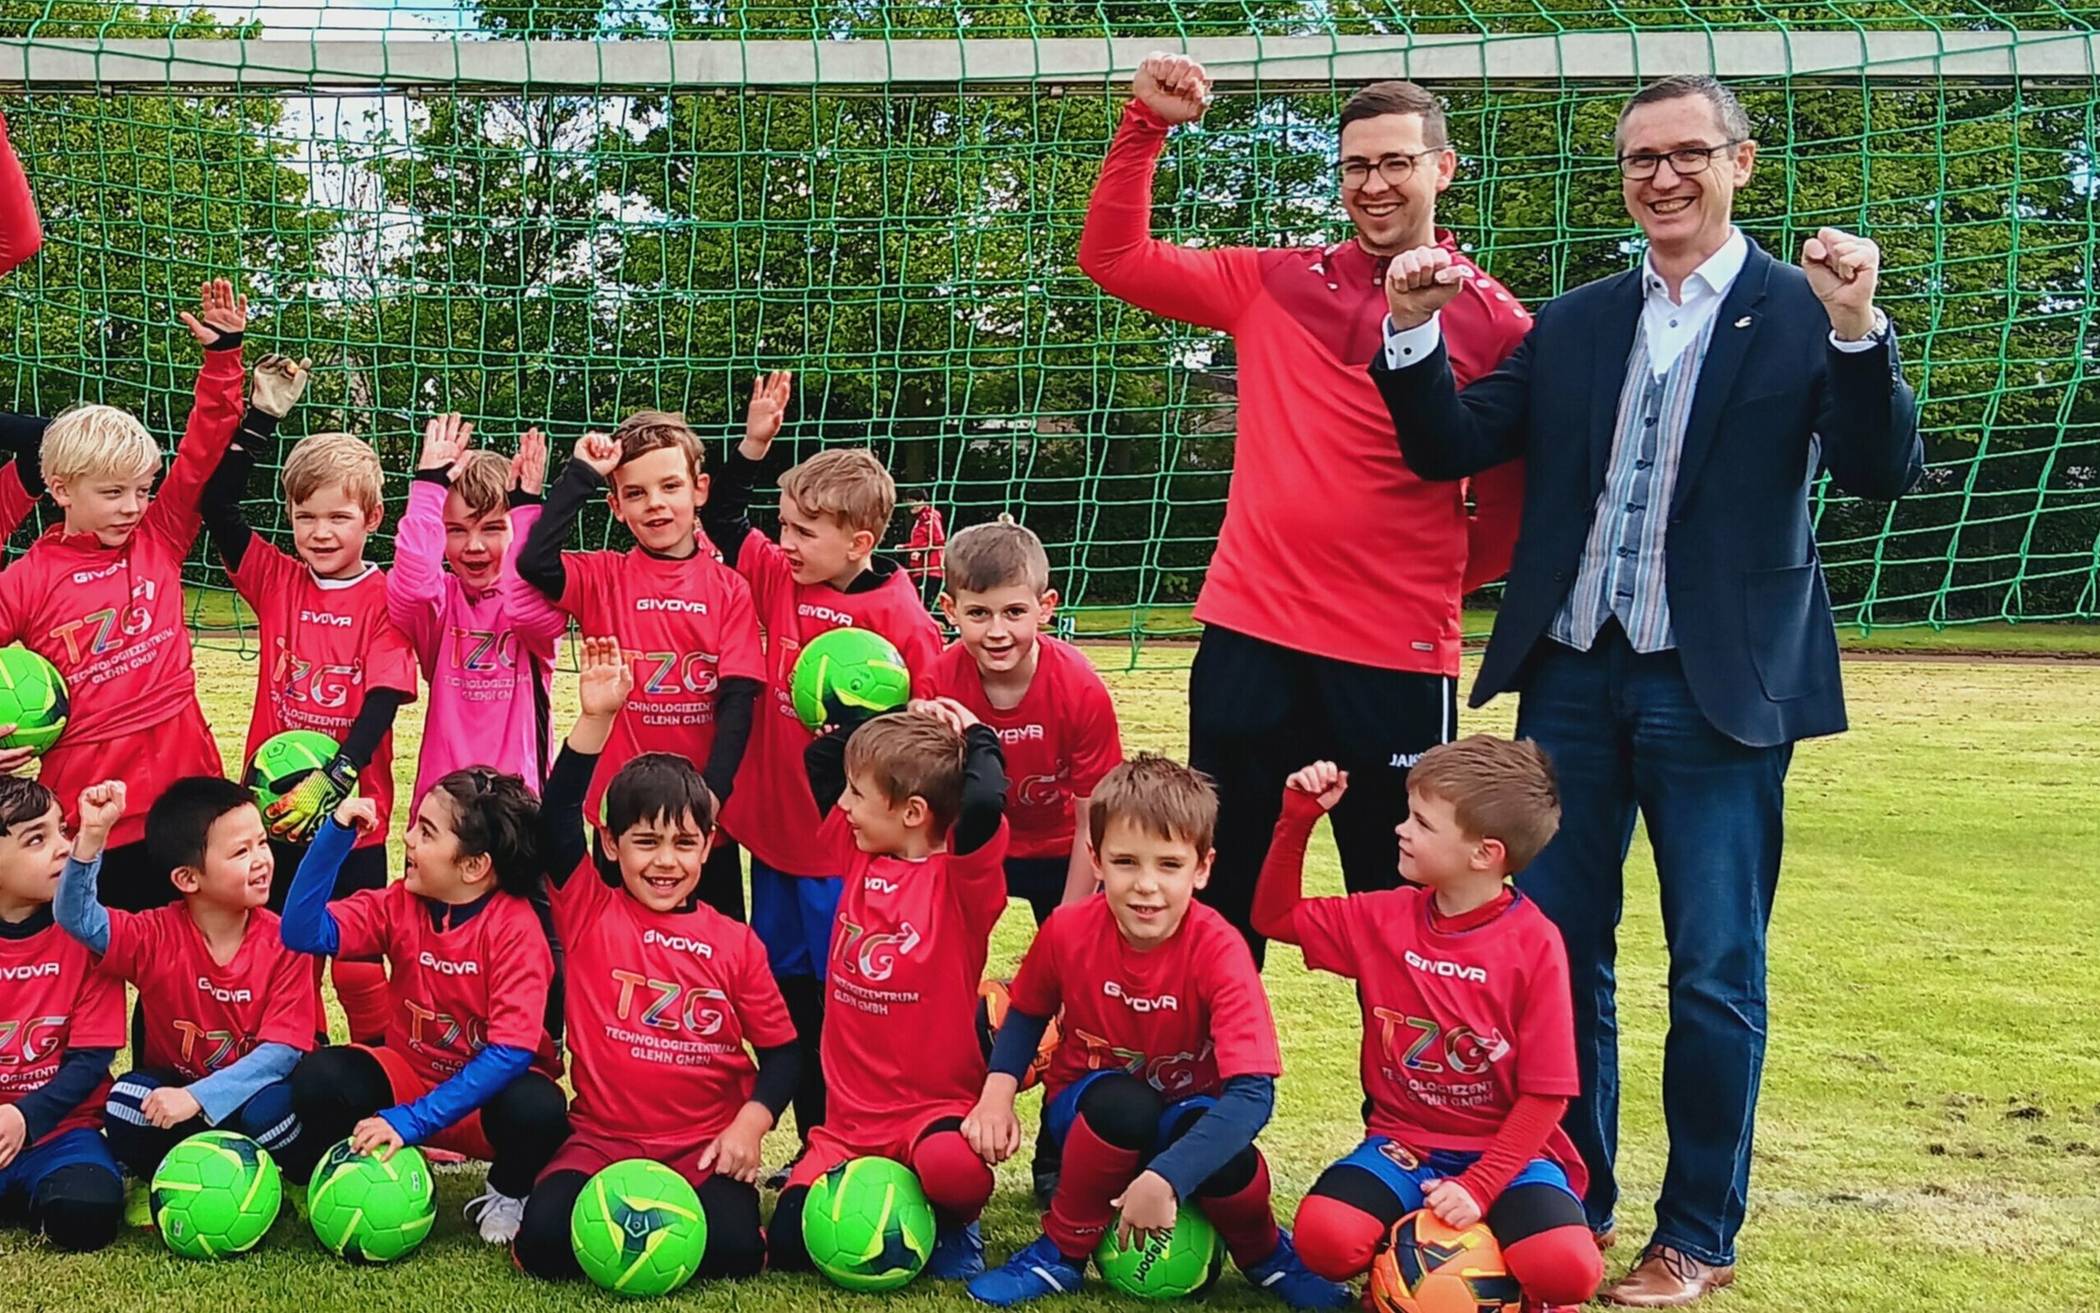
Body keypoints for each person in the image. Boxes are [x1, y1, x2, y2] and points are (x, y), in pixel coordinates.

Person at [1370, 75, 1922, 1307]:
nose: (1661, 178)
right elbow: (1447, 444)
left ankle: (1697, 1235)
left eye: (1686, 154)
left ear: (1740, 162)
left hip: (1718, 689)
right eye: (1639, 160)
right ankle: (1570, 1197)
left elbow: (1885, 470)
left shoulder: (1805, 309)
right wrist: (1410, 333)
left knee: (1715, 965)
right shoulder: (1575, 321)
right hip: (1570, 679)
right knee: (1556, 958)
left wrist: (1856, 328)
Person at [1079, 56, 1531, 965]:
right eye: (1357, 165)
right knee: (1220, 902)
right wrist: (1147, 125)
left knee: (1401, 913)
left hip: (1393, 659)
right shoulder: (1274, 282)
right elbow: (1114, 257)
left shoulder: (1496, 325)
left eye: (1397, 162)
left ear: (1443, 169)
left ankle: (1406, 1110)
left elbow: (1512, 509)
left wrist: (1422, 575)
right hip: (1251, 642)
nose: (1375, 183)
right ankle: (1215, 1104)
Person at [961, 754, 1347, 1310]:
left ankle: (1266, 1257)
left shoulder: (1219, 949)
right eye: (1125, 862)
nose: (1146, 886)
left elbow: (1252, 1094)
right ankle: (1060, 1254)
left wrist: (1166, 1178)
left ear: (1202, 868)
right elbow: (1025, 1012)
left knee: (1219, 1140)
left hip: (1186, 1119)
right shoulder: (1067, 931)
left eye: (1168, 865)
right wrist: (996, 1095)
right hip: (1092, 1114)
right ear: (1094, 860)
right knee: (1126, 1102)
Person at [1257, 741, 1602, 1310]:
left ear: (1484, 853)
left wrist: (1480, 1186)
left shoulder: (1534, 944)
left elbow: (1547, 1093)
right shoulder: (1385, 917)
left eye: (1421, 822)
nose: (1401, 829)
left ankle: (1497, 1266)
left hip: (1511, 1158)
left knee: (1568, 1273)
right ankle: (1403, 1268)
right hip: (1404, 1147)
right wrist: (1297, 820)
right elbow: (1272, 917)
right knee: (1324, 1240)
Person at [702, 370, 943, 1166]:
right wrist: (753, 446)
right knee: (785, 1000)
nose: (788, 542)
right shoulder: (776, 575)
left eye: (806, 531)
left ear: (860, 543)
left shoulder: (902, 620)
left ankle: (846, 1138)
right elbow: (723, 514)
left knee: (847, 1004)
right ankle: (809, 1138)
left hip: (845, 859)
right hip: (775, 842)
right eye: (787, 525)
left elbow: (924, 744)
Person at [510, 637, 796, 1283]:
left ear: (708, 847)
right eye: (645, 842)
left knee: (733, 1254)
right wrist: (597, 719)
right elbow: (556, 819)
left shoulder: (736, 943)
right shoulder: (588, 909)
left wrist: (751, 1125)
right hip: (600, 1143)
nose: (665, 862)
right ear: (610, 844)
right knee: (548, 1246)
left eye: (683, 844)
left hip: (702, 1148)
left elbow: (783, 1053)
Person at [0, 281, 248, 912]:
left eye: (142, 490)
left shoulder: (159, 535)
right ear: (59, 488)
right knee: (95, 974)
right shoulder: (25, 580)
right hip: (90, 819)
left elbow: (203, 447)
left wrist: (223, 359)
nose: (133, 507)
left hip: (186, 807)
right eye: (113, 494)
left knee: (187, 973)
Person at [765, 699, 1008, 1281]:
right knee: (789, 1243)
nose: (842, 803)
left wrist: (976, 734)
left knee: (953, 1168)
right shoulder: (858, 853)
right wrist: (901, 714)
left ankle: (953, 1223)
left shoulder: (962, 884)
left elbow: (983, 801)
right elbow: (821, 758)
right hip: (847, 1123)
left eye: (857, 794)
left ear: (914, 812)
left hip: (930, 1111)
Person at [201, 407, 417, 1046]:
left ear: (372, 519)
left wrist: (337, 777)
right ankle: (300, 1053)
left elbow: (383, 697)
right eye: (305, 517)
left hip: (352, 816)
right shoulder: (277, 579)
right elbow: (217, 504)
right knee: (280, 948)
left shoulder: (389, 598)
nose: (320, 532)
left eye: (339, 517)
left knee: (354, 959)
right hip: (273, 813)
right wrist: (261, 419)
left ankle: (379, 1066)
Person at [279, 770, 570, 1246]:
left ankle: (509, 1191)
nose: (407, 838)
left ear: (474, 866)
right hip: (408, 1077)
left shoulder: (516, 930)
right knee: (319, 1077)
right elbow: (301, 931)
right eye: (415, 824)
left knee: (538, 1109)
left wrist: (413, 1119)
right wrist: (333, 836)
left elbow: (510, 1053)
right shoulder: (401, 903)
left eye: (427, 832)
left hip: (485, 1101)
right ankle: (362, 1173)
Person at [511, 414, 764, 922]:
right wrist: (582, 472)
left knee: (712, 958)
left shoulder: (729, 588)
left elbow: (738, 699)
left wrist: (712, 796)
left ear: (700, 490)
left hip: (699, 821)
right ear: (617, 507)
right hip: (620, 821)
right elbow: (534, 561)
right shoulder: (605, 575)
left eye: (670, 486)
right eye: (635, 493)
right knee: (612, 955)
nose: (655, 504)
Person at [54, 778, 322, 1181]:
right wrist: (91, 837)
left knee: (274, 1112)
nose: (262, 860)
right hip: (179, 1097)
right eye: (240, 852)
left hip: (253, 1094)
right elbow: (78, 918)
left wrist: (199, 1097)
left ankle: (287, 1182)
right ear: (187, 879)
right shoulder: (155, 935)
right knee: (127, 1102)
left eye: (262, 843)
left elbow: (282, 1054)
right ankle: (175, 1178)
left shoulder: (286, 941)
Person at [928, 518, 1123, 924]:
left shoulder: (1080, 690)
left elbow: (1096, 818)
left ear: (1045, 607)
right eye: (978, 613)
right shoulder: (938, 683)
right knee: (946, 955)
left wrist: (1069, 925)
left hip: (1063, 846)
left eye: (1014, 612)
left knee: (1075, 960)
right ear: (950, 610)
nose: (997, 631)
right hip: (975, 843)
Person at [386, 414, 563, 808]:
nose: (475, 546)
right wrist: (429, 487)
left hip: (519, 805)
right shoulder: (440, 604)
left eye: (493, 528)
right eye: (457, 529)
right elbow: (412, 589)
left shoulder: (530, 605)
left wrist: (528, 510)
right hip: (443, 803)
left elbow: (532, 609)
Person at [0, 777, 123, 1252]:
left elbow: (91, 1061)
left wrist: (24, 1117)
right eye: (37, 838)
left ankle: (40, 1193)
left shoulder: (89, 935)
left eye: (62, 830)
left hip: (61, 1131)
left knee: (86, 1214)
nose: (62, 848)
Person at [903, 490, 947, 594]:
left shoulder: (930, 516)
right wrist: (905, 547)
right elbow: (921, 542)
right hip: (920, 568)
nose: (910, 505)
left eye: (912, 501)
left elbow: (939, 539)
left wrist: (920, 551)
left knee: (923, 600)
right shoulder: (920, 519)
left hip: (931, 568)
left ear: (922, 501)